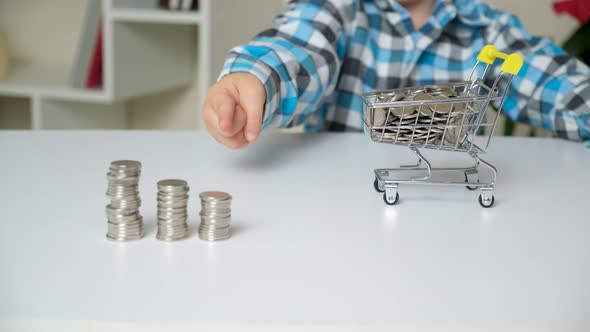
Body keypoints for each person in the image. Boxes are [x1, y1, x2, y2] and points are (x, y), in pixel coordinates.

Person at [201, 0, 590, 149]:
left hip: (449, 231)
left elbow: (550, 79)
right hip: (337, 219)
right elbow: (298, 46)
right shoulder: (336, 11)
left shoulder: (486, 31)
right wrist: (255, 79)